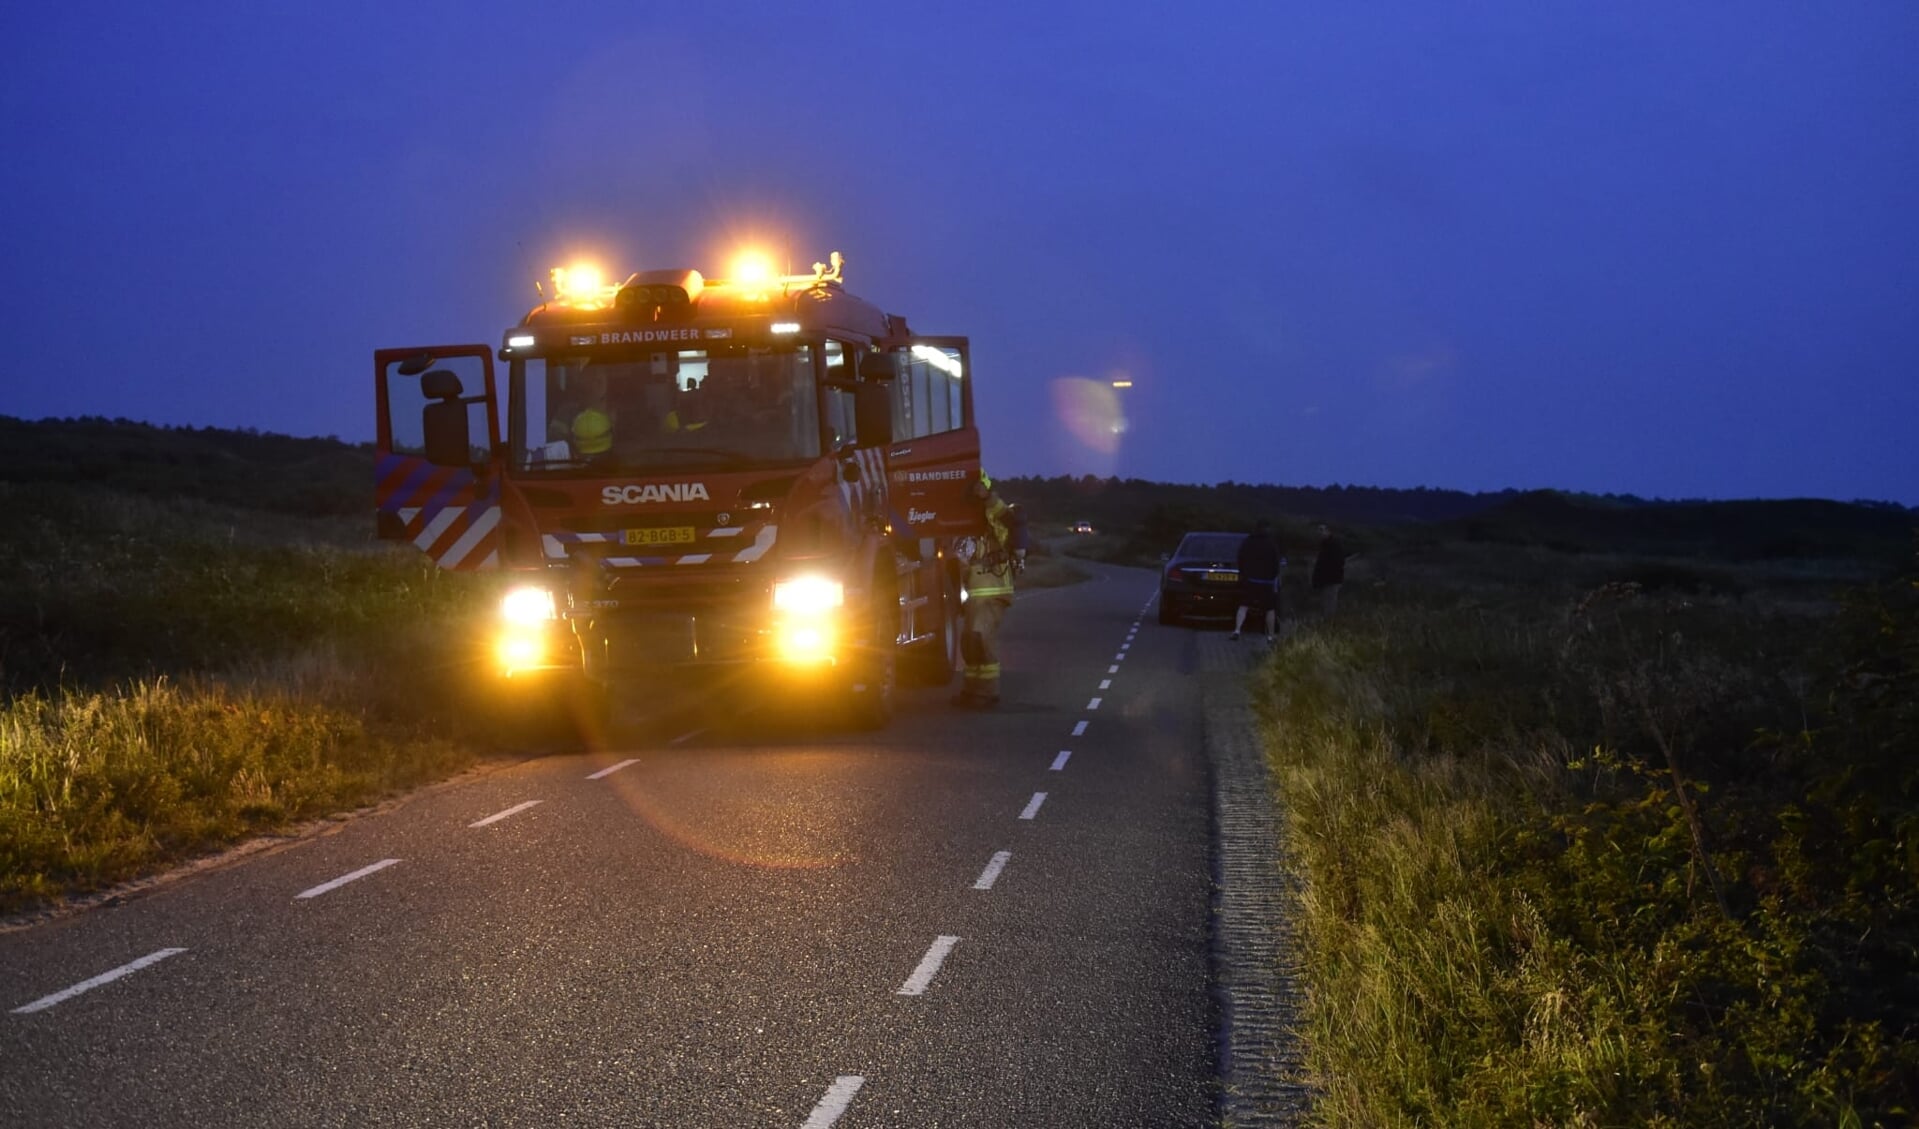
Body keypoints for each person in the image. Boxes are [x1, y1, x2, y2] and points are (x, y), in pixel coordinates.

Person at [952, 470, 1028, 709]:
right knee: (969, 641)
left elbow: (1004, 516)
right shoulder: (969, 530)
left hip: (994, 591)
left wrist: (987, 497)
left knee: (981, 638)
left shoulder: (999, 522)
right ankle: (971, 691)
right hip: (976, 594)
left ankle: (987, 694)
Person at [1231, 519, 1282, 643]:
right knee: (1270, 609)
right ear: (1268, 529)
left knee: (1244, 605)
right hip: (1266, 582)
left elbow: (1240, 558)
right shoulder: (1271, 544)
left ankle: (1237, 630)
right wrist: (1272, 576)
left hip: (1250, 580)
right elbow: (1276, 563)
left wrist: (1243, 575)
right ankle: (1270, 636)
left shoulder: (1247, 542)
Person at [1311, 522, 1350, 618]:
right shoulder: (1326, 545)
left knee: (1329, 606)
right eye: (1318, 530)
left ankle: (1330, 627)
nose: (1319, 532)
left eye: (1321, 530)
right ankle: (1327, 626)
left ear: (1328, 531)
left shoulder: (1334, 545)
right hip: (1326, 581)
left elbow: (1337, 563)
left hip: (1331, 581)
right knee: (1325, 605)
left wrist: (1324, 577)